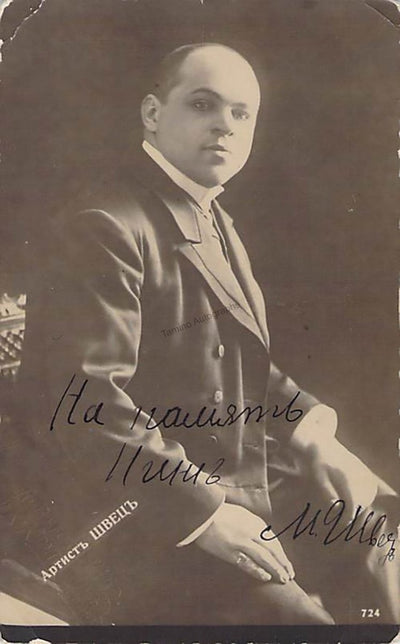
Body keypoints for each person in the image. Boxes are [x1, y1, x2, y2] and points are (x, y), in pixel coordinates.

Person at [2, 42, 398, 625]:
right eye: (203, 105)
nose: (225, 127)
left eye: (241, 113)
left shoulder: (211, 215)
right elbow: (85, 408)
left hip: (236, 478)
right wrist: (206, 514)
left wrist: (314, 432)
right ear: (152, 113)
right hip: (139, 518)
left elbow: (241, 360)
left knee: (383, 529)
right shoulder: (105, 226)